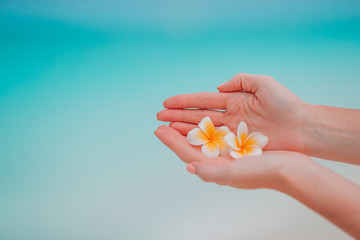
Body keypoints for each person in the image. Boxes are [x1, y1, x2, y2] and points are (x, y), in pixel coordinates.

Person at [155, 73, 360, 239]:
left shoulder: (231, 139)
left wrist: (289, 169)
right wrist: (302, 123)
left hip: (232, 144)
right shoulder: (227, 138)